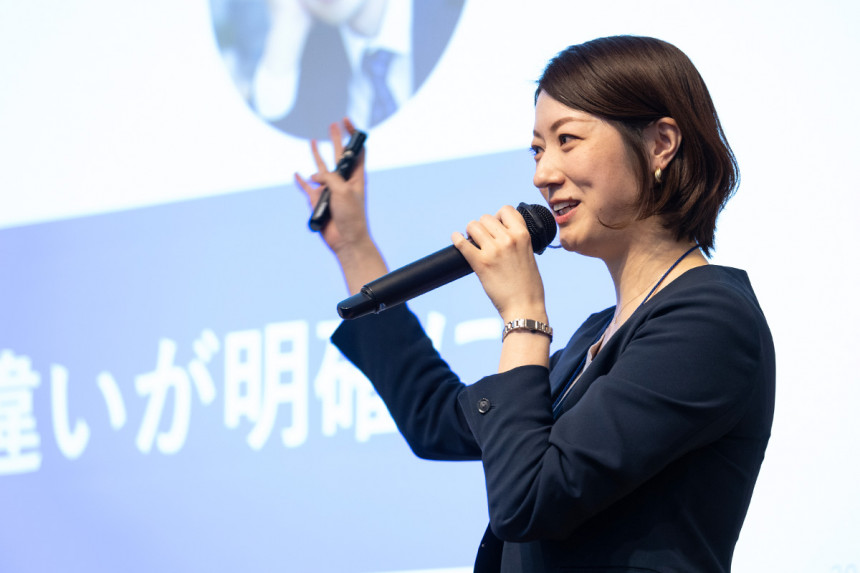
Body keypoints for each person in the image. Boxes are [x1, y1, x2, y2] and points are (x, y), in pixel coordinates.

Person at [295, 35, 775, 573]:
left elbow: (529, 501)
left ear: (661, 143)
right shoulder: (600, 334)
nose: (542, 174)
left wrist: (523, 316)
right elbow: (434, 419)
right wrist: (355, 246)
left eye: (567, 139)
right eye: (538, 150)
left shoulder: (709, 320)